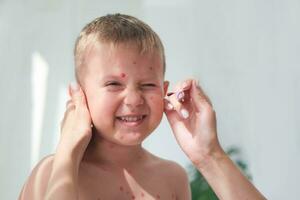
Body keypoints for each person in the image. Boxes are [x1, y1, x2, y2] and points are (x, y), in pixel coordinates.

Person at [19, 13, 266, 200]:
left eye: (148, 85)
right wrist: (67, 155)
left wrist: (209, 153)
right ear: (80, 95)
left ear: (164, 89)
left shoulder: (172, 178)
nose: (134, 99)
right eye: (114, 84)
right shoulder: (52, 171)